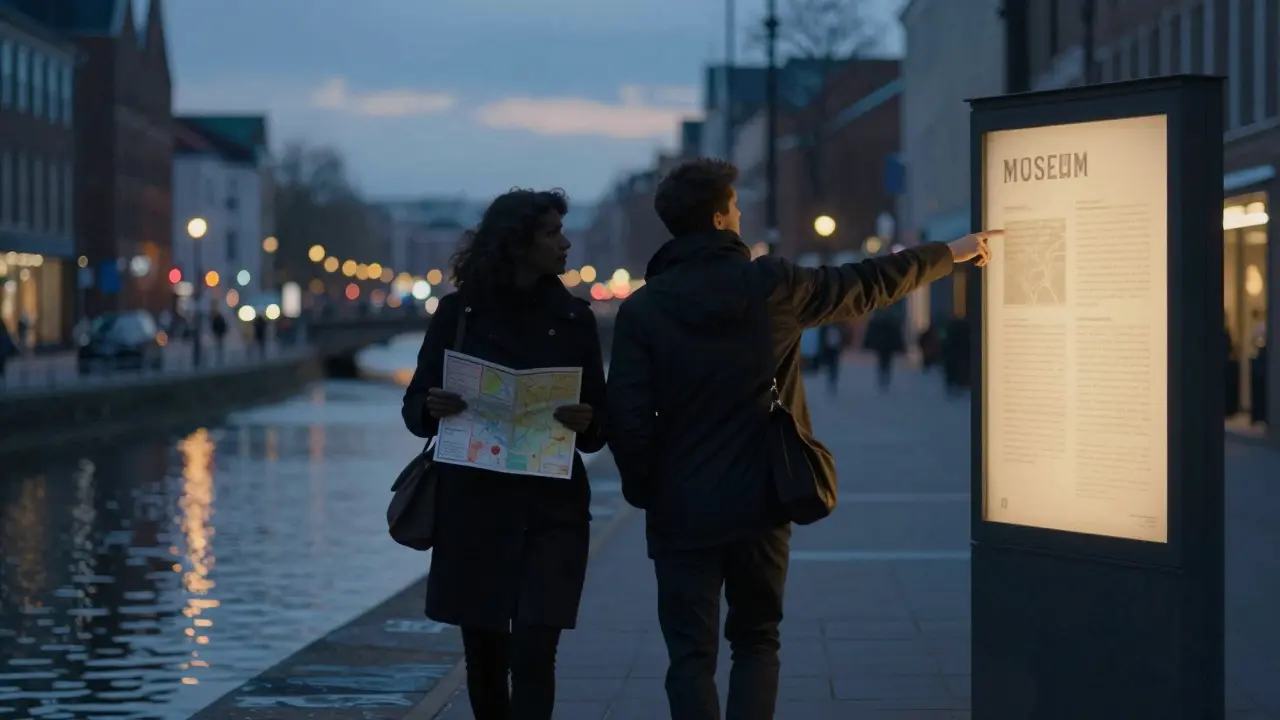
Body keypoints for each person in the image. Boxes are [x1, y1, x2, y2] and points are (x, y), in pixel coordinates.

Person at [604, 157, 997, 720]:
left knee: (689, 656)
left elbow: (629, 416)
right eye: (735, 206)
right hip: (763, 494)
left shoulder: (643, 310)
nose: (740, 213)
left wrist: (648, 491)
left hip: (680, 505)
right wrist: (952, 253)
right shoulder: (772, 286)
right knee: (757, 641)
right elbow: (867, 283)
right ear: (719, 220)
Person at [401, 188, 607, 720]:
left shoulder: (575, 320)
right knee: (486, 655)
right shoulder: (457, 314)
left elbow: (600, 425)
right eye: (551, 233)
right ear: (518, 244)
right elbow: (413, 408)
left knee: (537, 650)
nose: (564, 243)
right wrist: (432, 403)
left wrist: (587, 420)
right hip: (475, 508)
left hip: (551, 509)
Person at [862, 311, 905, 392]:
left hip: (884, 346)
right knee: (885, 362)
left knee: (884, 362)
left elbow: (896, 335)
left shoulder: (880, 322)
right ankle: (884, 378)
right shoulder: (887, 322)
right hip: (885, 346)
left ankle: (884, 378)